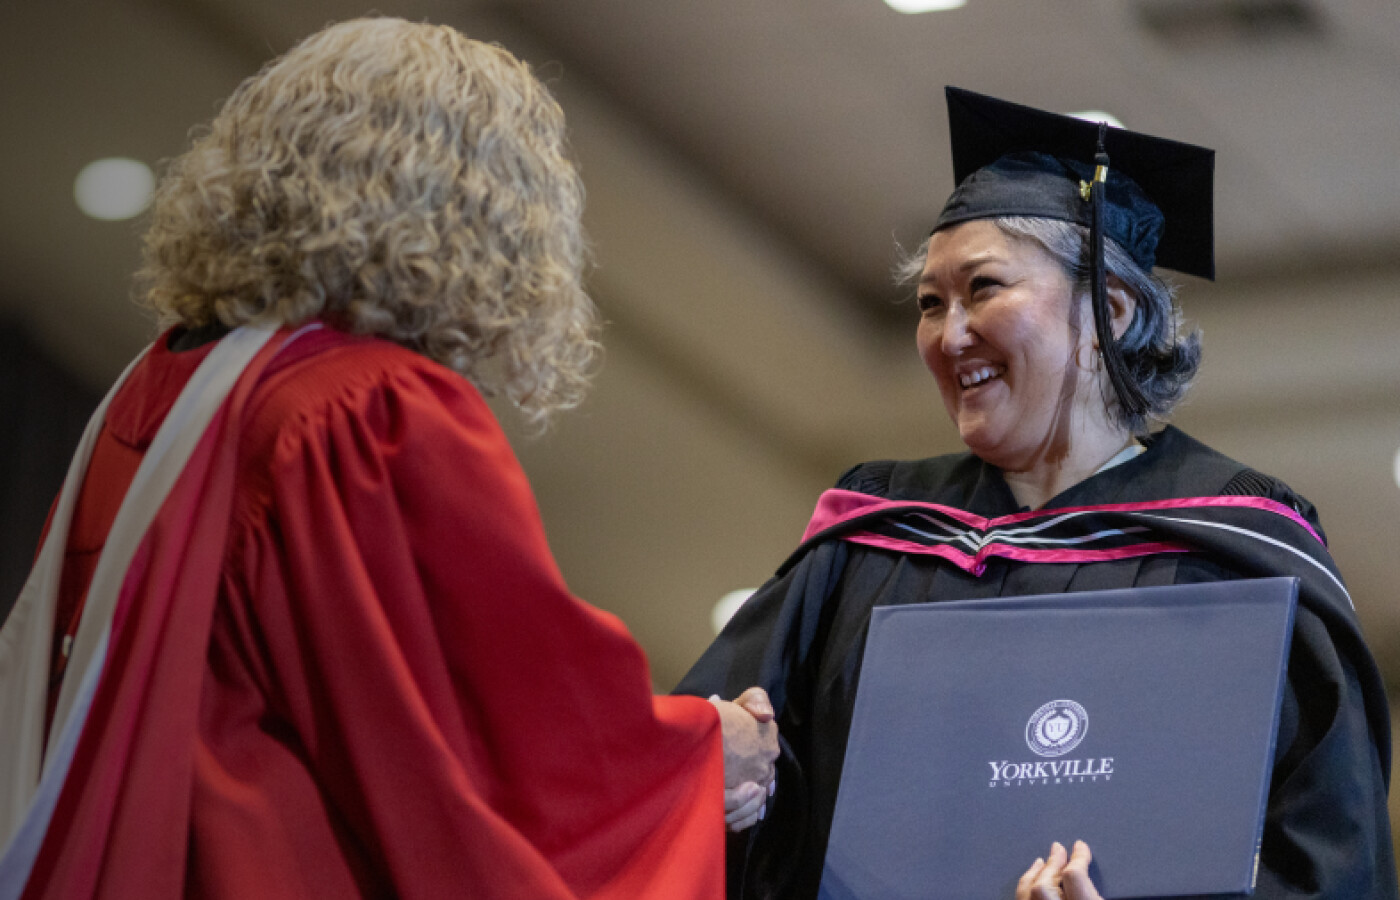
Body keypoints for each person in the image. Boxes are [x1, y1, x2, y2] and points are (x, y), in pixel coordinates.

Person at [0, 18, 777, 899]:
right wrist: (702, 750)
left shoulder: (163, 384)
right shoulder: (365, 411)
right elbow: (504, 732)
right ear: (481, 211)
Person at [677, 87, 1397, 899]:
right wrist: (728, 764)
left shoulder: (1244, 553)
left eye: (984, 288)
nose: (950, 336)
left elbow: (1334, 869)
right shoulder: (869, 539)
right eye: (929, 304)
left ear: (1111, 312)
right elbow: (695, 783)